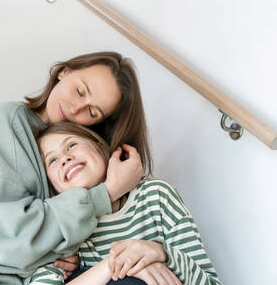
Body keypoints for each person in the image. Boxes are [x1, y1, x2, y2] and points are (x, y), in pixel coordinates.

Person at [0, 52, 151, 284]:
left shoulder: (71, 162)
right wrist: (108, 192)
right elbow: (14, 241)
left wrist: (61, 253)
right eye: (79, 91)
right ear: (64, 72)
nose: (75, 110)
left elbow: (43, 243)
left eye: (92, 112)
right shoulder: (2, 123)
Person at [30, 122, 221, 285]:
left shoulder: (156, 196)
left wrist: (160, 253)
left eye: (71, 145)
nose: (64, 158)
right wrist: (113, 265)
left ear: (101, 147)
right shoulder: (63, 226)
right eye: (52, 160)